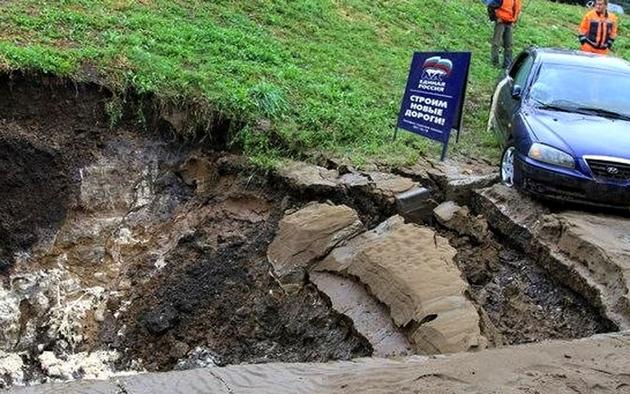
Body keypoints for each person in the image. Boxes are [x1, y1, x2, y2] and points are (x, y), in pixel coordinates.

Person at [489, 0, 522, 68]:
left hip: (509, 22)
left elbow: (516, 10)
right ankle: (495, 63)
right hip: (501, 22)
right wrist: (495, 18)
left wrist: (514, 20)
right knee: (496, 43)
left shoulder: (517, 1)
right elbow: (490, 6)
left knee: (509, 44)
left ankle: (507, 64)